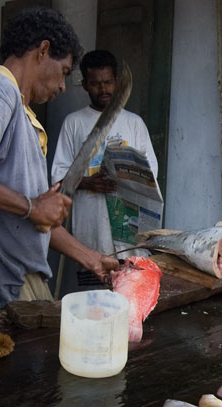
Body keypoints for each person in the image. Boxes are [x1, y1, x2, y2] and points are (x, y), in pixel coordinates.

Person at [0, 8, 119, 309]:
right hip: (3, 287)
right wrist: (33, 206)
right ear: (43, 50)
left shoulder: (22, 113)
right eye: (63, 71)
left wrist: (91, 258)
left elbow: (35, 219)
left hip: (26, 279)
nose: (63, 86)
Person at [51, 49, 158, 257]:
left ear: (117, 81)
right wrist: (87, 182)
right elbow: (57, 177)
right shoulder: (73, 123)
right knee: (93, 283)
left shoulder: (134, 123)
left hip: (128, 221)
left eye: (108, 82)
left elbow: (151, 171)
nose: (103, 89)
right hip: (91, 222)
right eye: (95, 84)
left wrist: (127, 178)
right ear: (85, 85)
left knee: (129, 281)